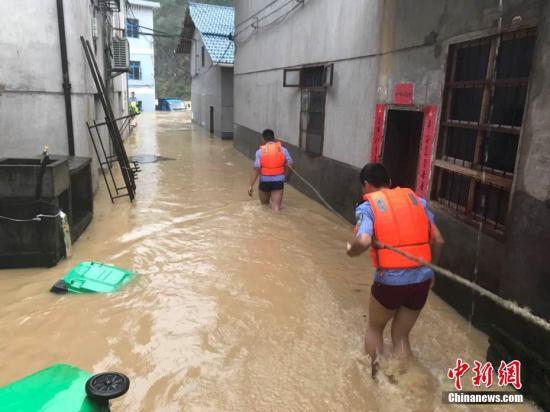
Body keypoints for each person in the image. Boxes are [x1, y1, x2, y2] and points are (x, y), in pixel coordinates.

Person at [346, 163, 445, 379]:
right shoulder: (416, 201)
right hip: (421, 280)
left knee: (375, 328)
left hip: (389, 281)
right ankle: (402, 382)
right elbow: (438, 239)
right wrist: (431, 272)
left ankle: (376, 380)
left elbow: (362, 240)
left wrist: (350, 251)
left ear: (366, 184)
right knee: (401, 336)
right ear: (389, 182)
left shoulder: (367, 208)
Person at [248, 129, 293, 212]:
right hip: (278, 182)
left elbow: (256, 169)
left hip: (264, 182)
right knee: (276, 208)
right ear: (274, 138)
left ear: (263, 139)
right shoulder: (283, 150)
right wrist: (287, 177)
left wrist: (251, 185)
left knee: (264, 207)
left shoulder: (259, 152)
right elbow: (290, 164)